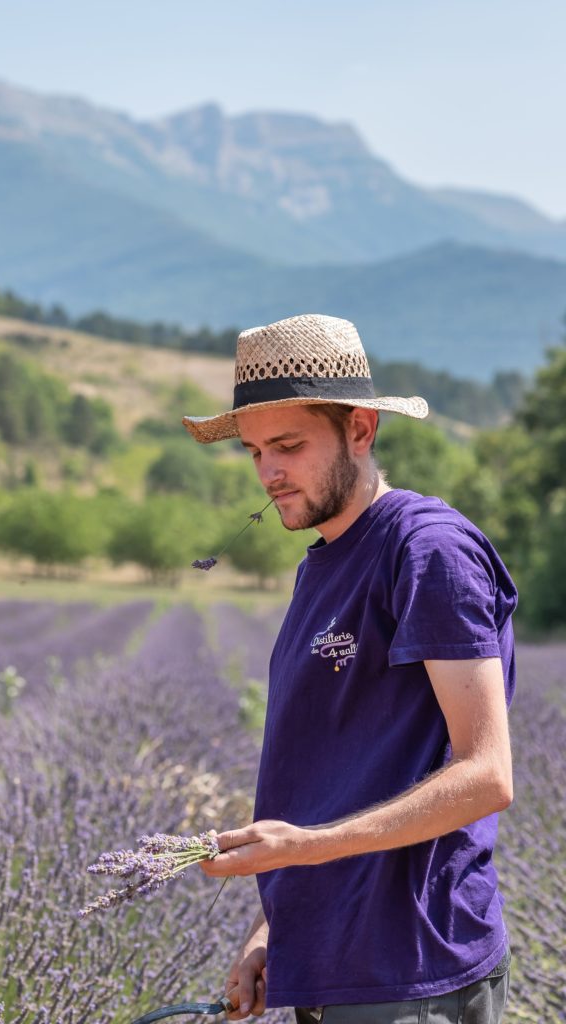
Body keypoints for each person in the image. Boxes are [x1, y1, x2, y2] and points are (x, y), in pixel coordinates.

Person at [182, 314, 516, 1024]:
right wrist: (273, 928)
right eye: (254, 451)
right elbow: (333, 770)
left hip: (409, 968)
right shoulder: (323, 565)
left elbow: (487, 775)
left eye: (289, 445)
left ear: (360, 430)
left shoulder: (427, 552)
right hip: (333, 964)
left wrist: (303, 850)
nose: (269, 471)